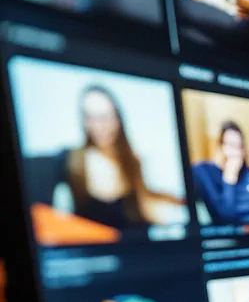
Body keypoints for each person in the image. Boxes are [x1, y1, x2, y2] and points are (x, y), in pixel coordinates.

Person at [53, 85, 185, 229]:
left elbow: (145, 205)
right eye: (90, 118)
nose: (99, 126)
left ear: (117, 119)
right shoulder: (71, 160)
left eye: (104, 117)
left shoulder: (133, 162)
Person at [192, 121, 249, 225]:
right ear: (220, 146)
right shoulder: (203, 172)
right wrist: (230, 177)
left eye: (239, 146)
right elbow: (225, 217)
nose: (236, 152)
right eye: (231, 145)